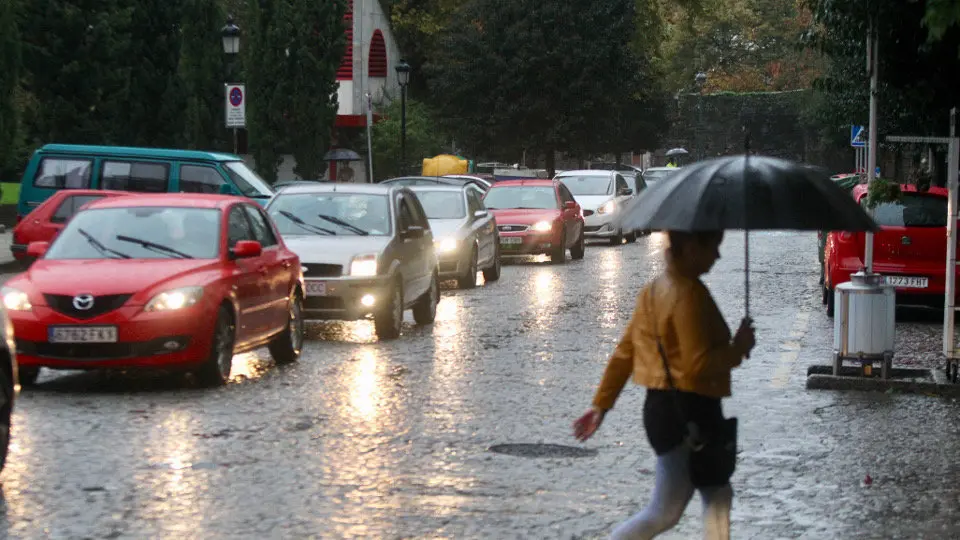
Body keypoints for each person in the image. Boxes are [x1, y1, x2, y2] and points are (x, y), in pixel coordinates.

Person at [573, 230, 756, 540]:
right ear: (691, 247)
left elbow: (625, 353)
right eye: (713, 246)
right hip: (689, 412)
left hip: (663, 410)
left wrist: (601, 405)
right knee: (670, 509)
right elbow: (696, 364)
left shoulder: (654, 291)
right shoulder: (688, 296)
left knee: (713, 494)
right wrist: (738, 347)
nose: (718, 256)